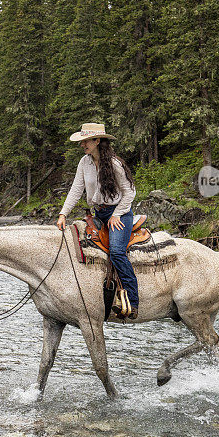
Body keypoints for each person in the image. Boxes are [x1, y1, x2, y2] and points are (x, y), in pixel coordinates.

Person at [56, 122, 138, 319]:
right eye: (82, 141)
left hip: (119, 213)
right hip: (98, 213)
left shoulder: (115, 164)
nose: (83, 144)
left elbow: (130, 192)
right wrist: (63, 213)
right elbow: (76, 189)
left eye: (86, 141)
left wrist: (117, 214)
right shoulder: (84, 162)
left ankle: (133, 302)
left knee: (117, 252)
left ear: (97, 141)